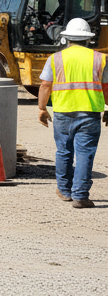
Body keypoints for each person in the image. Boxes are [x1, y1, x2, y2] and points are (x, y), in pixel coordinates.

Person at [38, 17, 106, 208]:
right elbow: (106, 87)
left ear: (67, 38)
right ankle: (80, 196)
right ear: (88, 39)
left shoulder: (55, 58)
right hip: (90, 113)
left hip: (63, 113)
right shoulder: (100, 58)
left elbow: (45, 85)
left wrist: (42, 108)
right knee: (85, 154)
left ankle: (64, 191)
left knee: (64, 151)